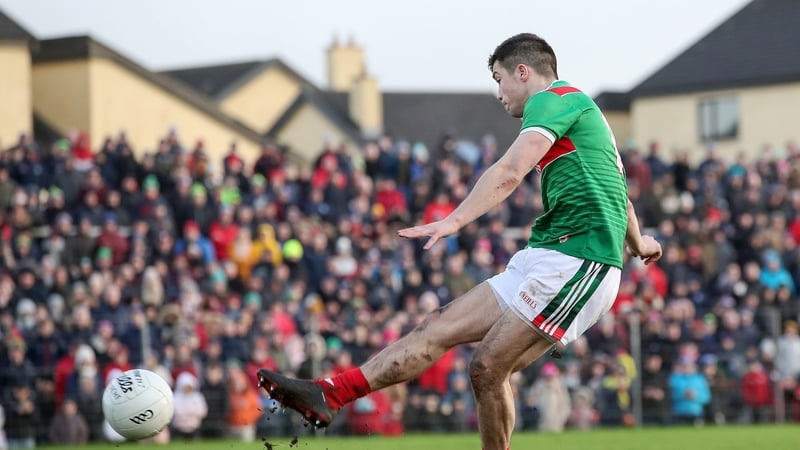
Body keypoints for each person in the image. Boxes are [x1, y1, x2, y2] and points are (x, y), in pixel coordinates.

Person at [257, 32, 662, 450]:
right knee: (437, 327)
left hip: (580, 261)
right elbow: (616, 188)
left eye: (499, 78)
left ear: (523, 72)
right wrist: (639, 242)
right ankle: (331, 393)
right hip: (548, 256)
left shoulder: (551, 99)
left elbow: (509, 171)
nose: (499, 92)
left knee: (487, 367)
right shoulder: (580, 112)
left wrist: (453, 221)